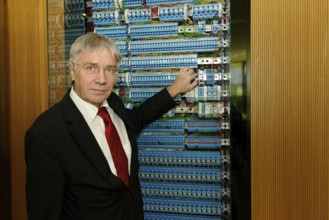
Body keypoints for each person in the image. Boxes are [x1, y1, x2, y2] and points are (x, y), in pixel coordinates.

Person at [25, 32, 197, 220]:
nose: (102, 80)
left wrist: (173, 90)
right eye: (91, 68)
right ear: (72, 70)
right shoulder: (46, 133)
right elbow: (44, 213)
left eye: (110, 69)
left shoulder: (113, 103)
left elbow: (136, 119)